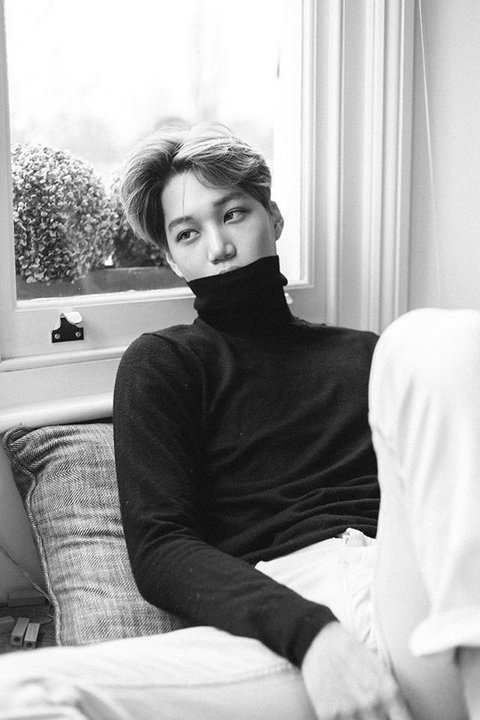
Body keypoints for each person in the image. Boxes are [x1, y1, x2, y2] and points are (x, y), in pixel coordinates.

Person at [0, 124, 479, 720]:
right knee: (18, 691)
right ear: (171, 259)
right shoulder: (165, 362)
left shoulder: (369, 355)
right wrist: (315, 637)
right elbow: (162, 549)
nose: (219, 247)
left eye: (233, 214)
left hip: (409, 590)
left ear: (273, 218)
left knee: (436, 339)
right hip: (278, 620)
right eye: (187, 233)